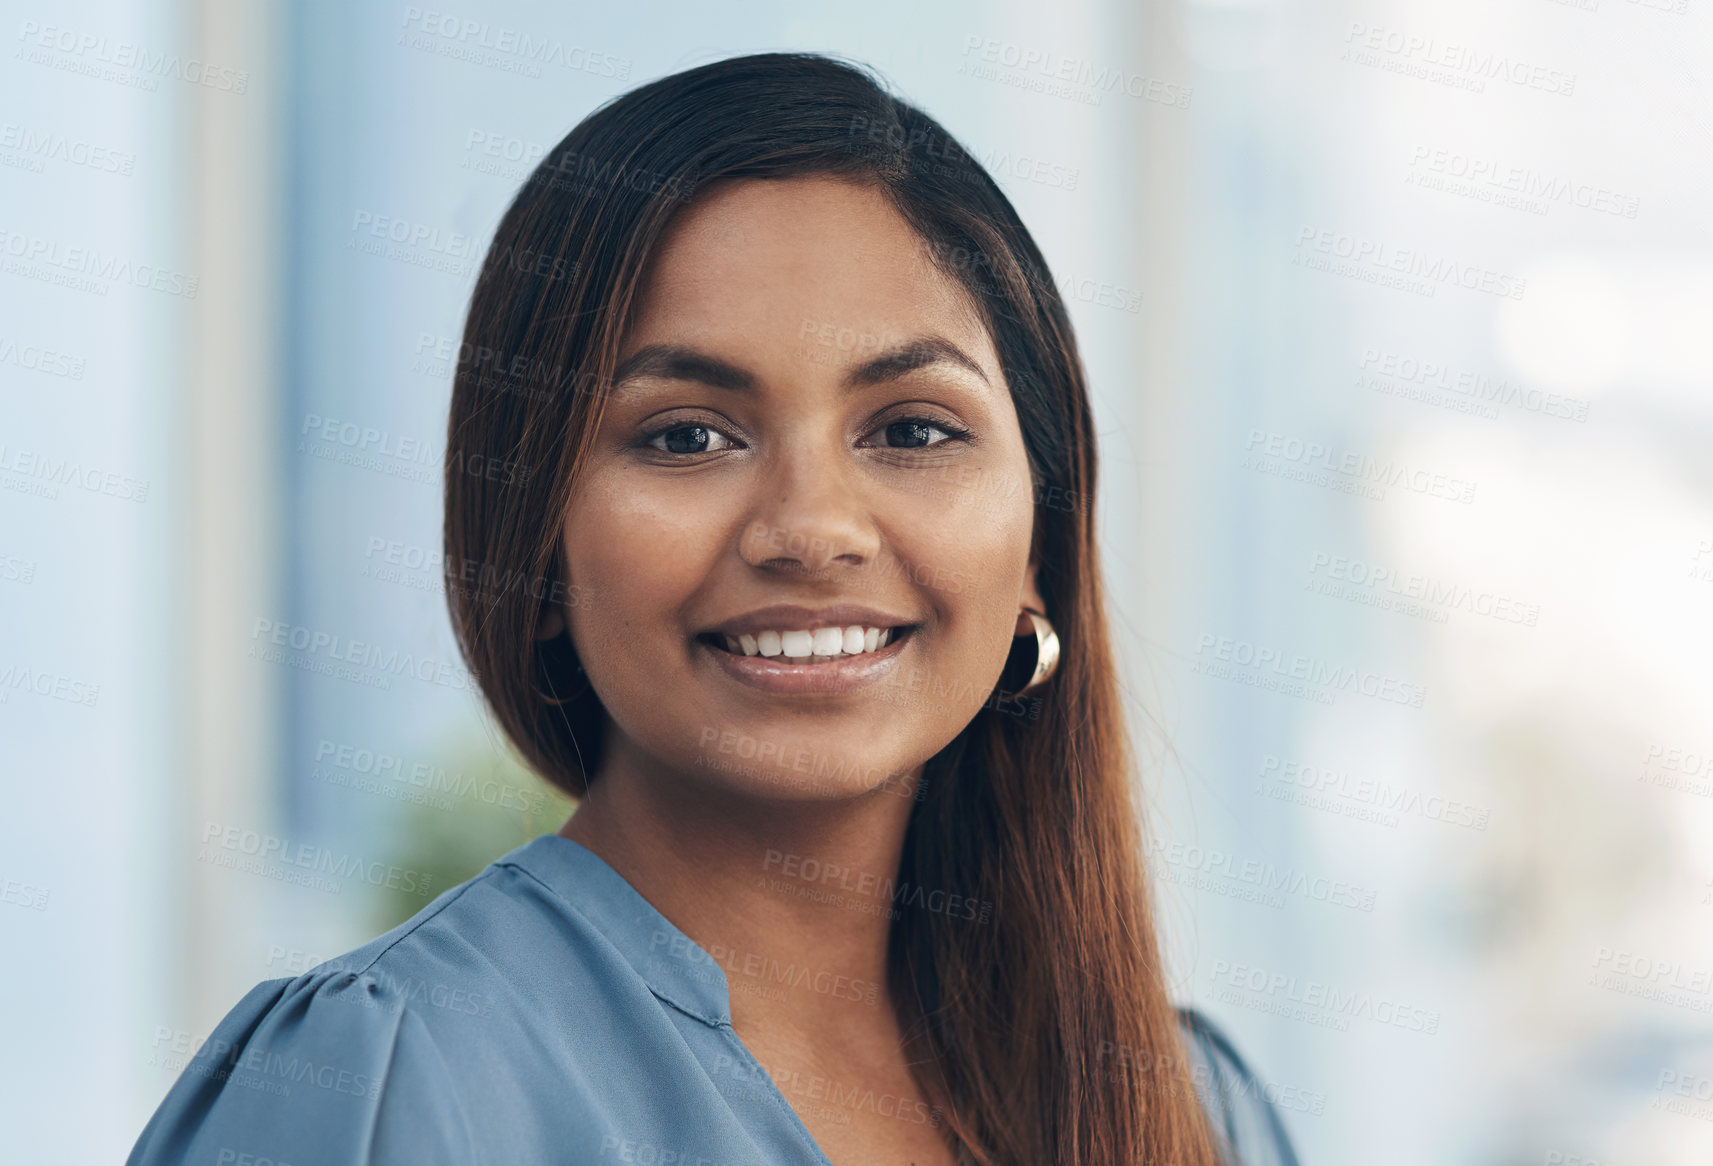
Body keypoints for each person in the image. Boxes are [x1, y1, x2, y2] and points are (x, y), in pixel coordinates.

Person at [130, 52, 1301, 1166]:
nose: (810, 528)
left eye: (911, 429)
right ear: (534, 542)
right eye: (686, 435)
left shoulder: (1191, 1106)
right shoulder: (380, 1076)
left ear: (1041, 540)